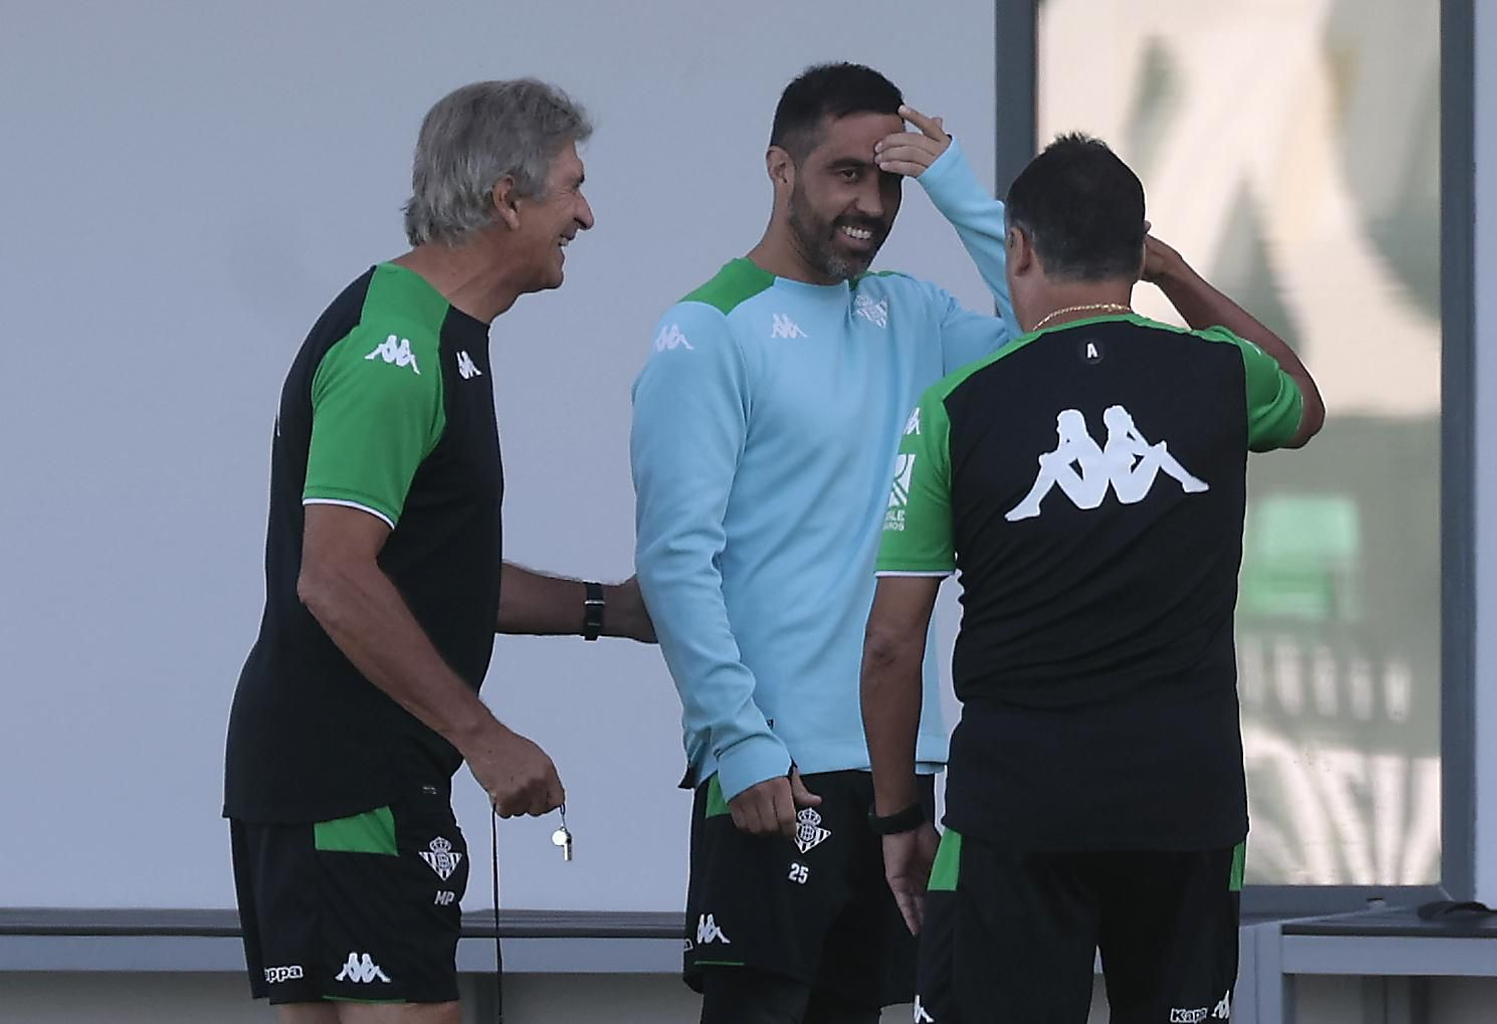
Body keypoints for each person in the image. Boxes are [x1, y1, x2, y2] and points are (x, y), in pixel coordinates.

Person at [861, 132, 1325, 1024]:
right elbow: (1304, 403)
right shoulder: (1220, 373)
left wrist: (896, 819)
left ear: (1021, 249)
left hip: (1015, 813)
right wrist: (1178, 275)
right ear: (1136, 249)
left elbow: (891, 643)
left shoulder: (956, 407)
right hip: (1186, 806)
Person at [222, 78, 654, 1023]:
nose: (587, 212)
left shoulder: (447, 335)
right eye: (572, 187)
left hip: (349, 776)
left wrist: (606, 610)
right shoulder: (396, 345)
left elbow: (426, 575)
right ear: (507, 198)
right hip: (345, 778)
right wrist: (484, 736)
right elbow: (334, 577)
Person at [631, 63, 1017, 1024]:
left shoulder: (912, 315)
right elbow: (677, 561)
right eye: (848, 175)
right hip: (774, 769)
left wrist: (956, 179)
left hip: (896, 776)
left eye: (889, 183)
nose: (872, 205)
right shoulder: (708, 330)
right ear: (779, 168)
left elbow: (1042, 323)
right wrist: (738, 743)